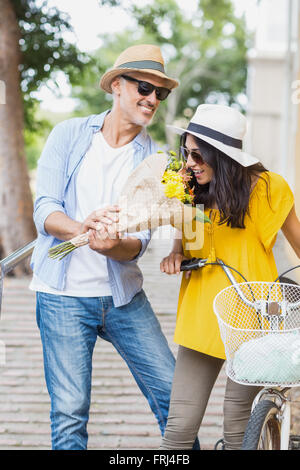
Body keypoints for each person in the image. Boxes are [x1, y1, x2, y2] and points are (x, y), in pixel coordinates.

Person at [30, 44, 182, 450]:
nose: (152, 99)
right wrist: (81, 227)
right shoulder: (69, 134)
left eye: (160, 93)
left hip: (123, 297)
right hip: (61, 295)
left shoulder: (158, 162)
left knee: (174, 398)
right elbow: (44, 209)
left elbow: (138, 246)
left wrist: (111, 245)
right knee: (69, 413)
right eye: (143, 88)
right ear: (117, 85)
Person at [159, 104, 300, 450]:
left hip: (252, 317)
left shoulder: (269, 188)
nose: (189, 162)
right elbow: (189, 244)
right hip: (201, 314)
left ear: (221, 156)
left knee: (238, 425)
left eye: (197, 154)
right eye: (186, 152)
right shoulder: (190, 190)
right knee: (179, 427)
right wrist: (176, 251)